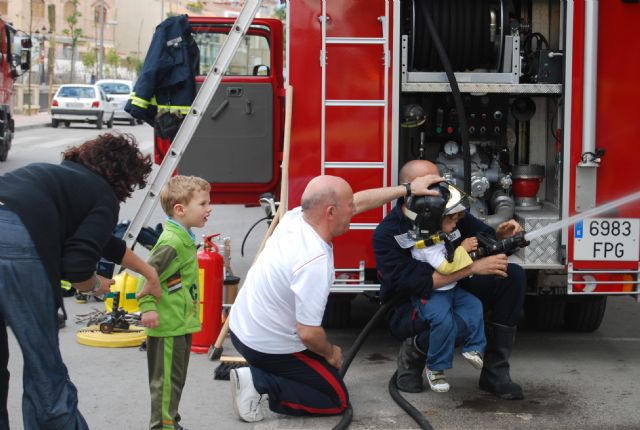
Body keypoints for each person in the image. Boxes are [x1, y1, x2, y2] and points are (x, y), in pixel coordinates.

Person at [228, 173, 444, 423]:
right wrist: (331, 352)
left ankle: (266, 374)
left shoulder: (296, 217)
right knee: (334, 398)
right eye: (348, 207)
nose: (354, 210)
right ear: (330, 212)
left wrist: (406, 189)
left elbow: (358, 202)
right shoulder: (313, 261)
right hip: (266, 346)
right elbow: (308, 333)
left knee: (325, 374)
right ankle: (258, 383)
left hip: (243, 329)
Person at [0, 133, 162, 429]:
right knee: (43, 366)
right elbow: (77, 267)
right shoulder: (101, 194)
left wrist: (149, 272)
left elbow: (103, 242)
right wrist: (95, 285)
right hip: (16, 246)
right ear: (124, 178)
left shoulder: (54, 177)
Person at [372, 159, 526, 400]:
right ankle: (413, 354)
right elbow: (421, 283)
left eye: (441, 182)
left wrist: (499, 238)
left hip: (452, 290)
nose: (441, 191)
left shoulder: (451, 213)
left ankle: (495, 372)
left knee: (511, 275)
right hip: (409, 305)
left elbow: (482, 239)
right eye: (433, 185)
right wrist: (474, 267)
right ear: (409, 189)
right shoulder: (388, 234)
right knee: (454, 322)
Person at [137, 175, 212, 430]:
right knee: (166, 383)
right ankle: (162, 427)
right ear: (180, 210)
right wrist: (147, 307)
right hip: (167, 326)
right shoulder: (171, 242)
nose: (208, 209)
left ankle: (172, 423)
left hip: (179, 324)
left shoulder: (184, 237)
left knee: (175, 380)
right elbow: (147, 276)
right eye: (202, 204)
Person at [406, 189, 485, 393]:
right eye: (451, 221)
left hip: (451, 289)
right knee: (443, 323)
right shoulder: (426, 245)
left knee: (474, 306)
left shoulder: (439, 235)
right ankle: (435, 368)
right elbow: (446, 268)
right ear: (433, 221)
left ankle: (473, 347)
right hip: (434, 295)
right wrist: (464, 249)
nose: (455, 225)